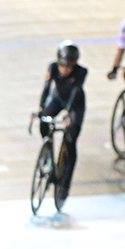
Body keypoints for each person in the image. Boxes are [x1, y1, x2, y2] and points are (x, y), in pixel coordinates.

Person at [37, 42, 86, 197]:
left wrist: (68, 112)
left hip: (75, 106)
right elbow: (46, 87)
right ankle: (48, 147)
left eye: (69, 66)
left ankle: (65, 184)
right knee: (44, 119)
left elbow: (75, 91)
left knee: (70, 141)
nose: (65, 69)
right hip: (57, 100)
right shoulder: (52, 67)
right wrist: (40, 107)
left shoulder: (81, 72)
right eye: (62, 65)